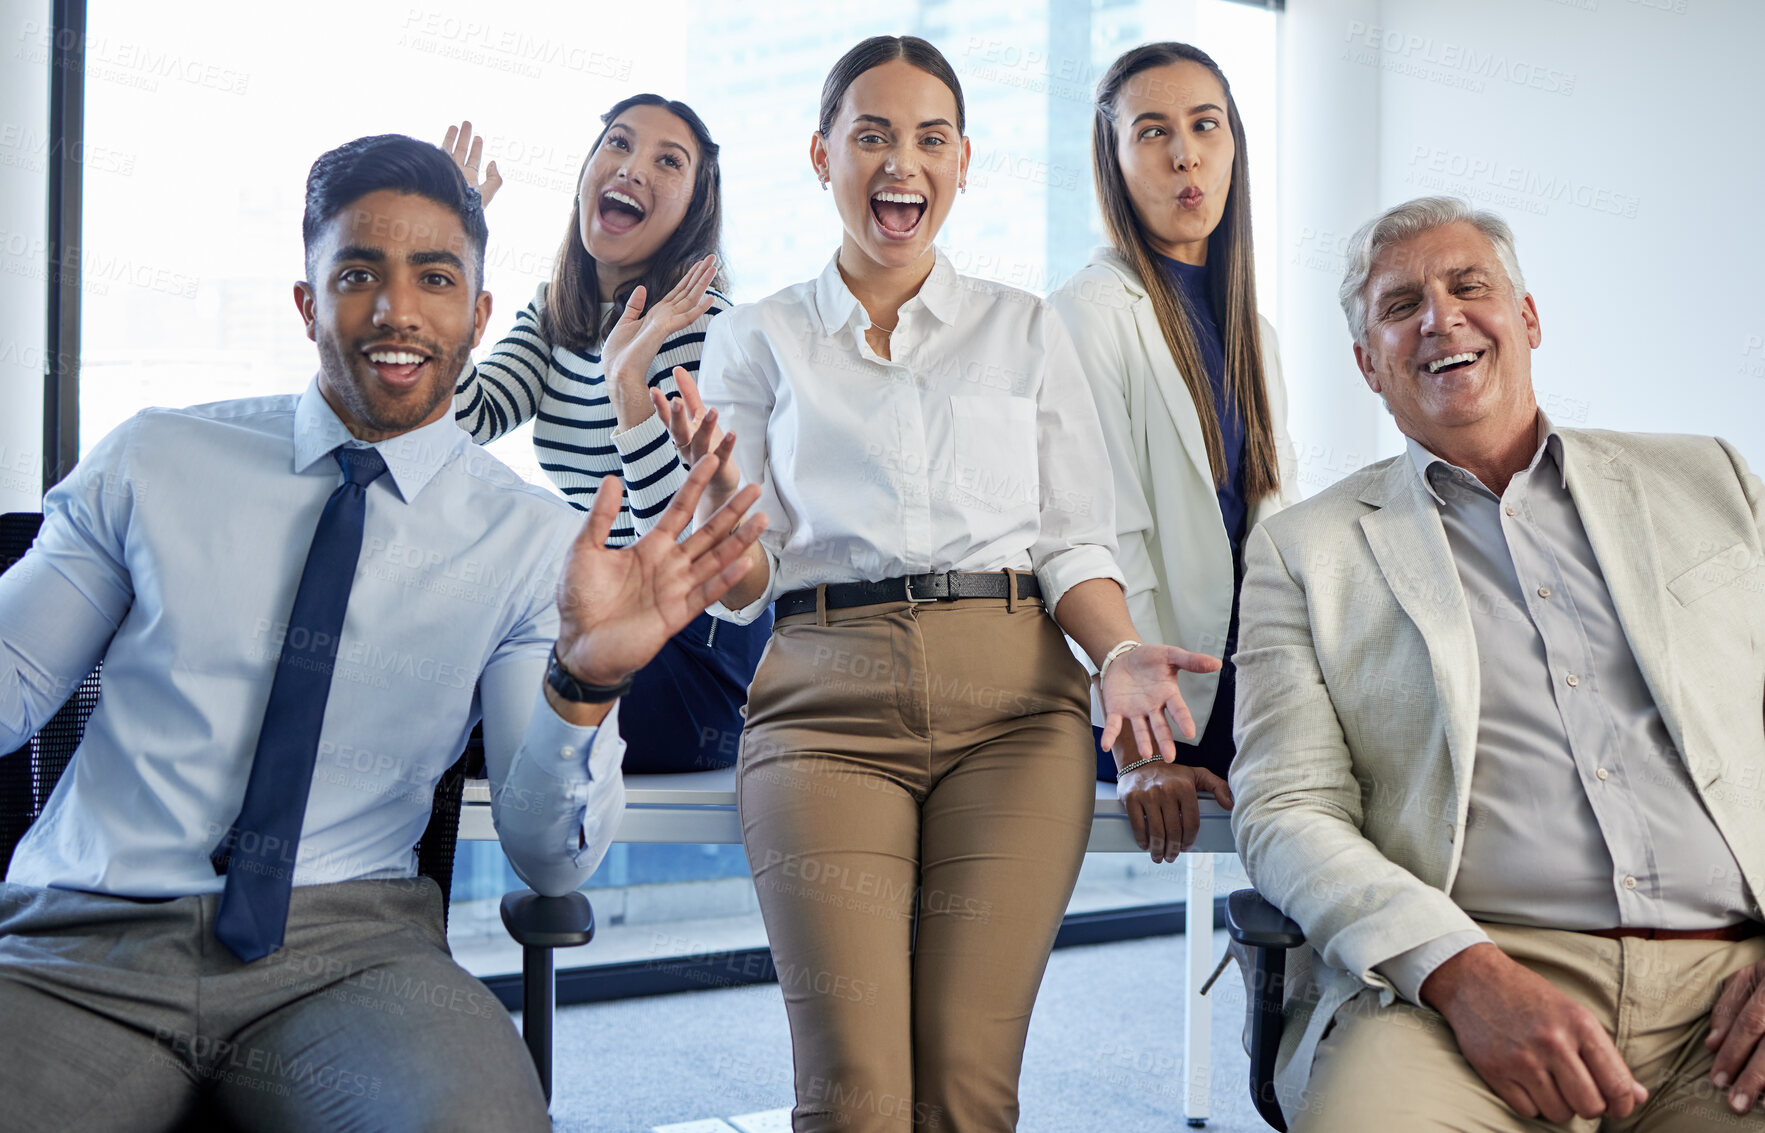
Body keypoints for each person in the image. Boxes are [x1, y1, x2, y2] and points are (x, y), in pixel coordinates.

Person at [0, 134, 762, 1132]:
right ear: (308, 301)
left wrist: (584, 684)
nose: (397, 310)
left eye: (435, 278)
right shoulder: (153, 458)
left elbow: (549, 858)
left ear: (479, 314)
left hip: (352, 952)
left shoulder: (530, 539)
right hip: (84, 938)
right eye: (358, 273)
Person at [660, 35, 1223, 1132]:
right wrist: (724, 549)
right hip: (825, 709)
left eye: (926, 138)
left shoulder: (1024, 329)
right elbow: (749, 568)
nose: (898, 162)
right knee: (852, 1095)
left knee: (965, 1088)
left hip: (1013, 716)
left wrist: (1116, 651)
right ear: (820, 155)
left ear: (963, 161)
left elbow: (1072, 542)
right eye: (869, 135)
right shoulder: (758, 339)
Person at [1228, 195, 1765, 1130]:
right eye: (1399, 306)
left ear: (1526, 318)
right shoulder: (1302, 552)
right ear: (1368, 365)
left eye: (1467, 286)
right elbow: (1283, 808)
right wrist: (1460, 973)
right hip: (1461, 982)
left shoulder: (1710, 479)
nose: (1439, 317)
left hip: (1730, 979)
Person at [444, 98, 771, 775]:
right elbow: (467, 416)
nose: (632, 168)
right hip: (590, 620)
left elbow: (685, 544)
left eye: (666, 161)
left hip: (687, 648)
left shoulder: (711, 330)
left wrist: (628, 390)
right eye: (618, 145)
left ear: (693, 206)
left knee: (440, 714)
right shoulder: (555, 310)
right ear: (588, 171)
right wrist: (452, 248)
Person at [1051, 41, 1299, 862]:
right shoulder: (1088, 314)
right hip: (1149, 705)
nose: (1185, 153)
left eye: (1205, 125)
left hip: (1246, 694)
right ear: (1113, 160)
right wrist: (1142, 752)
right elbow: (1095, 538)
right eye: (1151, 132)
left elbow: (1271, 533)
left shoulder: (1252, 332)